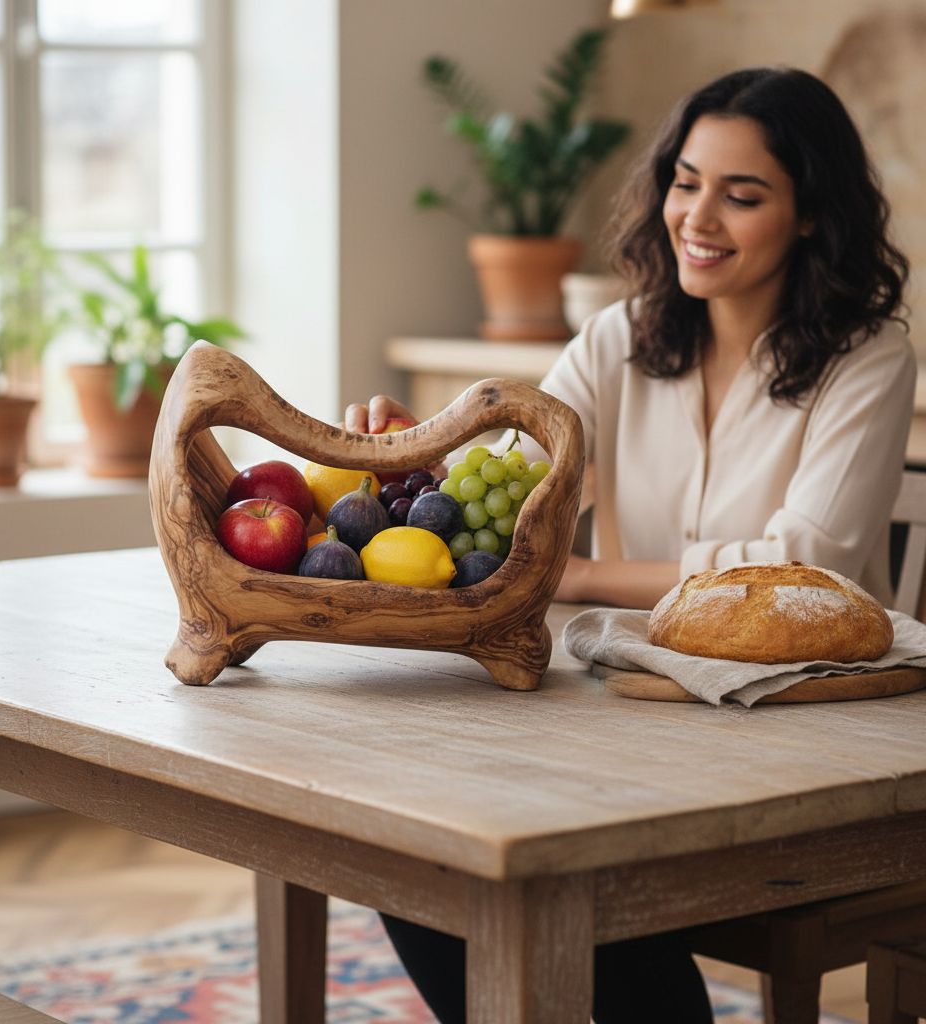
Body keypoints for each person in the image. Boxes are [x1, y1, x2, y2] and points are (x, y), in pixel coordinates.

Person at [345, 67, 913, 1023]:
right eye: (687, 182)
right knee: (417, 842)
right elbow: (510, 485)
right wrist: (420, 461)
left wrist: (583, 574)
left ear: (811, 215)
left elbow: (806, 561)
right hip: (632, 729)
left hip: (804, 755)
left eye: (743, 195)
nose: (698, 216)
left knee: (558, 872)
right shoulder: (618, 337)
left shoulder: (870, 357)